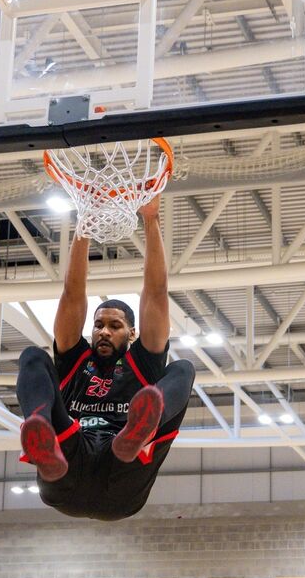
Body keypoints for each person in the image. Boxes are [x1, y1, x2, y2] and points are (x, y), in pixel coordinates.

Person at [16, 196, 195, 520]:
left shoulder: (144, 361)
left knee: (183, 368)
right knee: (32, 356)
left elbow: (155, 292)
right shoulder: (74, 359)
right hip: (67, 465)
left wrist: (151, 219)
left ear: (132, 334)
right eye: (98, 325)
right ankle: (40, 431)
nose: (103, 332)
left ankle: (141, 430)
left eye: (115, 326)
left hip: (122, 475)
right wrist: (84, 224)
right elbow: (73, 292)